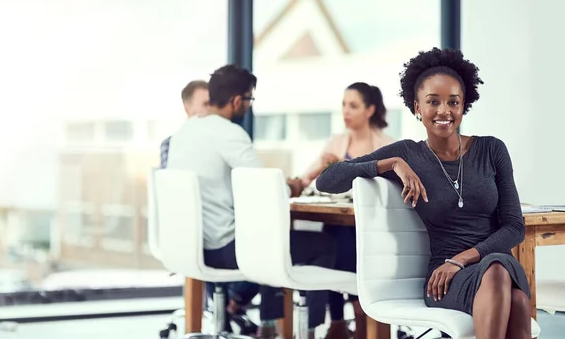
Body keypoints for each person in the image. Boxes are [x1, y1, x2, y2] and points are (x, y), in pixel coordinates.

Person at [316, 48, 531, 339]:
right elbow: (328, 180)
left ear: (463, 106)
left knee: (502, 276)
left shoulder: (492, 150)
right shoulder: (407, 153)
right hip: (443, 280)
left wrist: (462, 259)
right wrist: (390, 163)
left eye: (453, 102)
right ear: (417, 107)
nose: (444, 111)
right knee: (510, 291)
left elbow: (515, 227)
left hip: (488, 267)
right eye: (433, 102)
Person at [167, 65, 336, 339]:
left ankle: (269, 325)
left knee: (271, 238)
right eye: (249, 99)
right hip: (223, 248)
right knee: (323, 245)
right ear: (237, 100)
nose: (248, 105)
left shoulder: (182, 133)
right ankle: (306, 330)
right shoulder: (229, 133)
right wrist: (292, 185)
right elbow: (264, 190)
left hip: (190, 246)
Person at [300, 82, 393, 339]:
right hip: (337, 220)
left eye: (353, 105)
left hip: (370, 226)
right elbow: (308, 179)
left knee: (342, 241)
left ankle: (345, 318)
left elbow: (389, 192)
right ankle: (346, 317)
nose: (346, 111)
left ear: (370, 109)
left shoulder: (387, 144)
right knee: (332, 239)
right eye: (343, 105)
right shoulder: (336, 141)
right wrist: (320, 166)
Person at [160, 80, 209, 168]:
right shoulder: (169, 145)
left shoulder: (217, 137)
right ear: (187, 109)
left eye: (212, 104)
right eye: (205, 104)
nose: (211, 109)